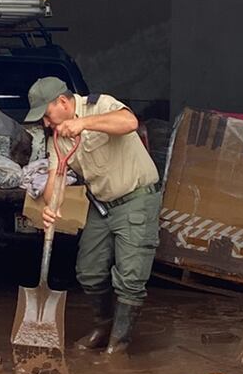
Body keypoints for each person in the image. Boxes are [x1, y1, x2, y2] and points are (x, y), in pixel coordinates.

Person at [25, 77, 161, 354]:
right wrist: (51, 206)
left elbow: (129, 123)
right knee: (89, 271)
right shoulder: (58, 139)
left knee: (130, 278)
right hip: (102, 206)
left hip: (136, 199)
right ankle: (103, 326)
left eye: (47, 116)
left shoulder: (100, 105)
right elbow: (56, 181)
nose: (47, 124)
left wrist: (83, 124)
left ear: (62, 102)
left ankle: (118, 345)